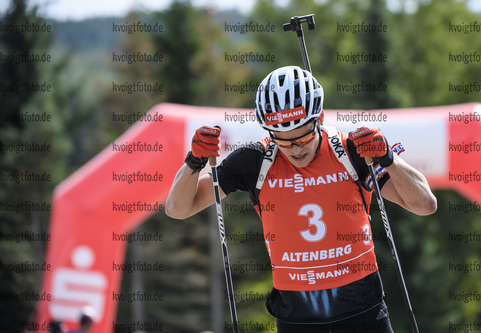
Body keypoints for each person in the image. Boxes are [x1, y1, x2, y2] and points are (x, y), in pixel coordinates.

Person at [165, 66, 437, 332]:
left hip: (363, 312)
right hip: (297, 318)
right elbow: (178, 208)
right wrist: (194, 162)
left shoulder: (351, 151)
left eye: (303, 137)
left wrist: (389, 159)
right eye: (283, 140)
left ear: (318, 118)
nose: (295, 149)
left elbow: (424, 204)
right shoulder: (254, 160)